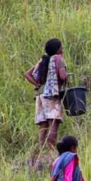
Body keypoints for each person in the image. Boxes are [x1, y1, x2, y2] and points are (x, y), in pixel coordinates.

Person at [24, 38, 68, 166]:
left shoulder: (43, 60)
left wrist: (37, 84)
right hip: (51, 95)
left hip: (40, 96)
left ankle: (42, 153)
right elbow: (63, 76)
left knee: (43, 126)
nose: (62, 49)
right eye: (61, 47)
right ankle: (51, 153)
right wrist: (66, 77)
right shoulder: (58, 59)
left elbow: (27, 74)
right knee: (53, 124)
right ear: (57, 49)